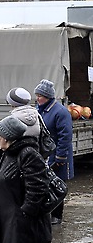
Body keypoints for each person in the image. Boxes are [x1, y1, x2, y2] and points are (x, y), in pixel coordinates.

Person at [0, 115, 52, 243]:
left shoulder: (28, 154)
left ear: (8, 137)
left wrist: (25, 214)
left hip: (20, 226)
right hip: (7, 222)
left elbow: (38, 187)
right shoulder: (4, 154)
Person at [34, 79, 74, 225]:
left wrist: (60, 157)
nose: (37, 98)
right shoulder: (39, 109)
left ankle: (57, 215)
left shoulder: (61, 112)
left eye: (40, 95)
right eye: (37, 95)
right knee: (44, 184)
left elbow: (65, 136)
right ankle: (46, 213)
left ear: (49, 97)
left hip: (57, 155)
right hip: (44, 154)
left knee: (57, 185)